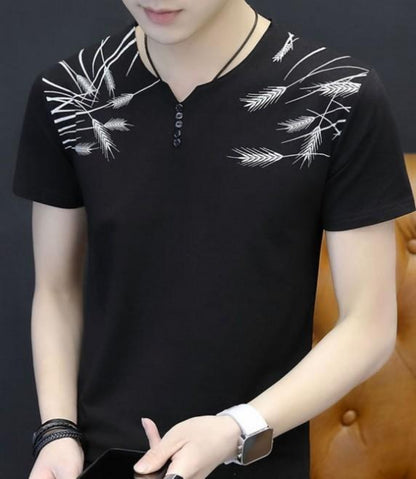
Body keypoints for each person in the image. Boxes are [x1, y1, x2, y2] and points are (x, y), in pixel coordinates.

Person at [12, 0, 416, 478]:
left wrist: (236, 428)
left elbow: (368, 325)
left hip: (258, 456)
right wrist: (57, 431)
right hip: (102, 459)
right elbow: (57, 290)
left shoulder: (338, 96)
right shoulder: (68, 94)